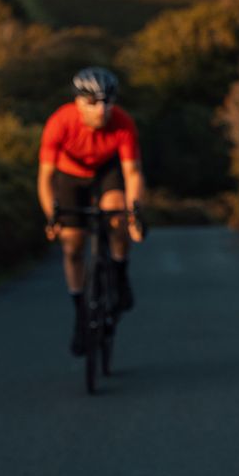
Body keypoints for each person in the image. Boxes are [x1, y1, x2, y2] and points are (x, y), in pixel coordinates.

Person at [38, 67, 146, 356]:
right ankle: (81, 316)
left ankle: (120, 275)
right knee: (72, 245)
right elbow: (45, 177)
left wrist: (135, 215)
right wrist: (52, 216)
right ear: (77, 102)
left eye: (107, 102)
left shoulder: (123, 123)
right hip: (70, 175)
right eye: (93, 103)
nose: (102, 110)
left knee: (117, 215)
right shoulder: (60, 123)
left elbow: (133, 174)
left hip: (106, 172)